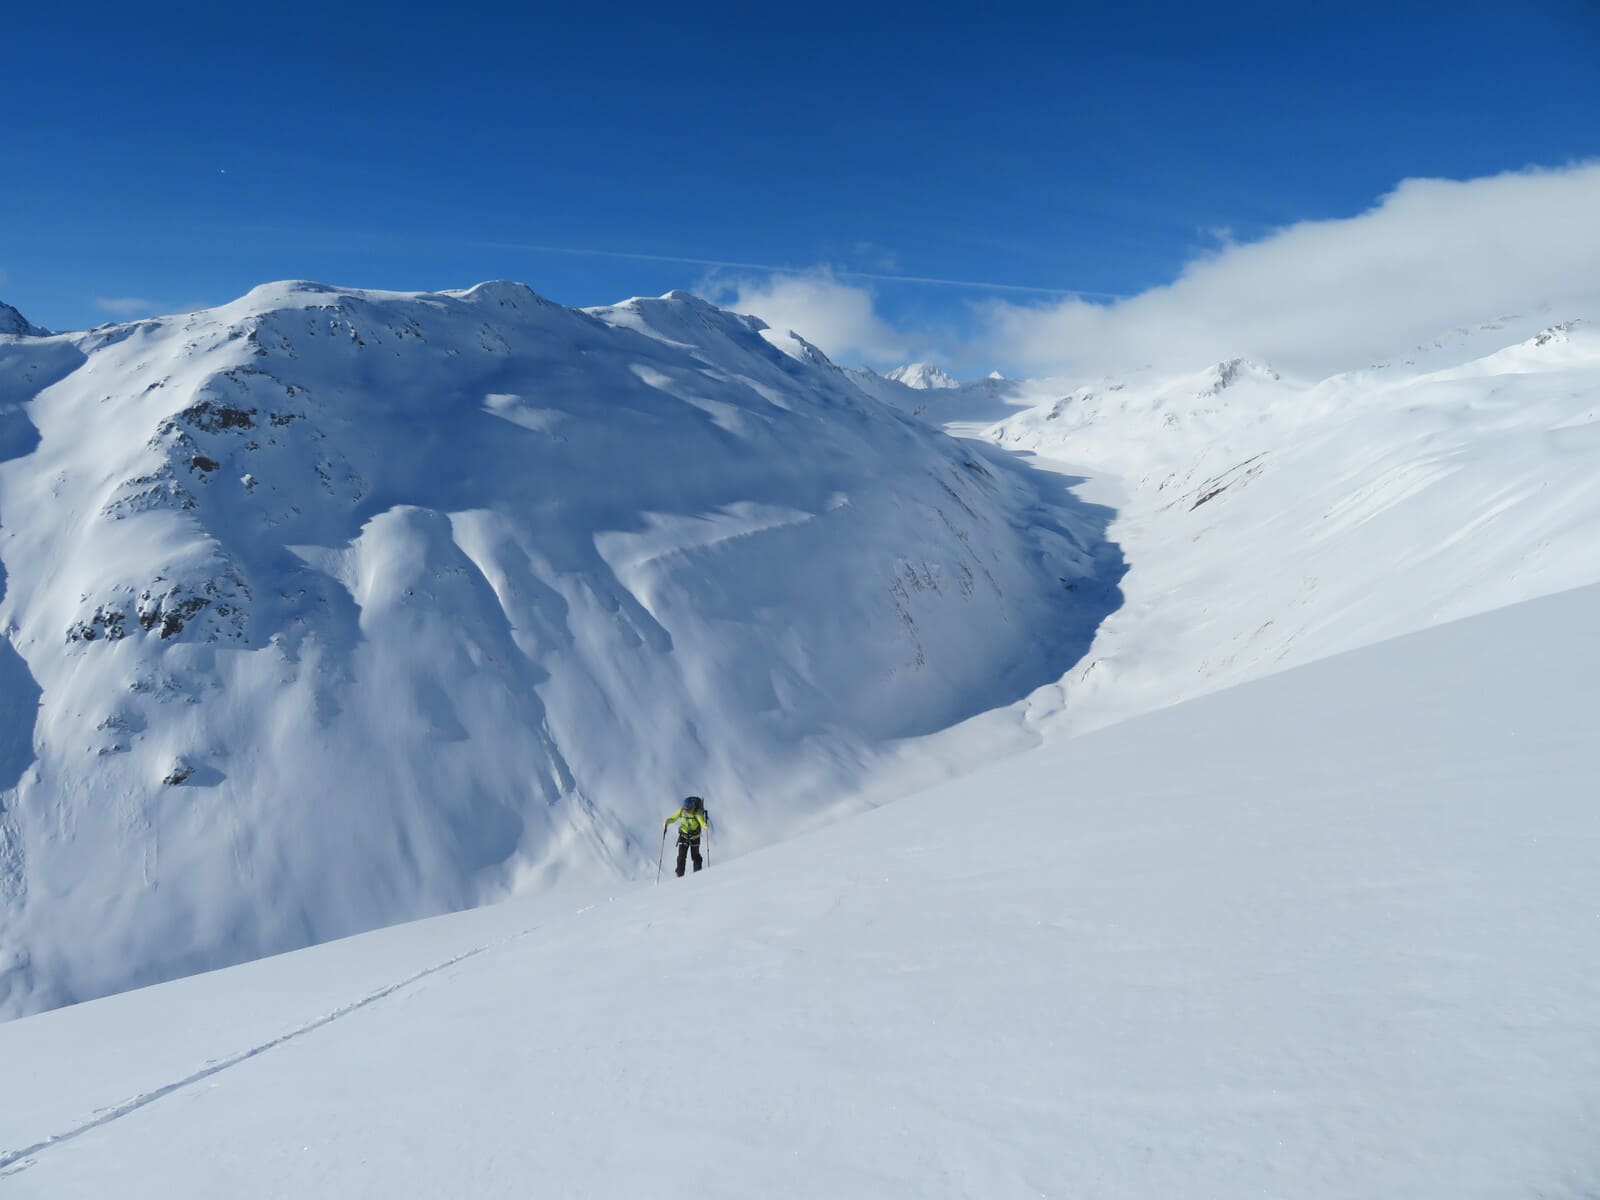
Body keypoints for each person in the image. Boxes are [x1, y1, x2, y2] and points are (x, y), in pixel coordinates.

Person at [664, 796, 711, 876]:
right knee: (681, 857)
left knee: (695, 856)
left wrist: (705, 825)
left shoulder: (697, 813)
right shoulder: (681, 811)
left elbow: (702, 822)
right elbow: (673, 818)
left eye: (688, 809)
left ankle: (698, 874)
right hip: (683, 836)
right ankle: (679, 875)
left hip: (695, 837)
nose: (686, 811)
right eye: (685, 809)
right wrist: (667, 821)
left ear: (692, 807)